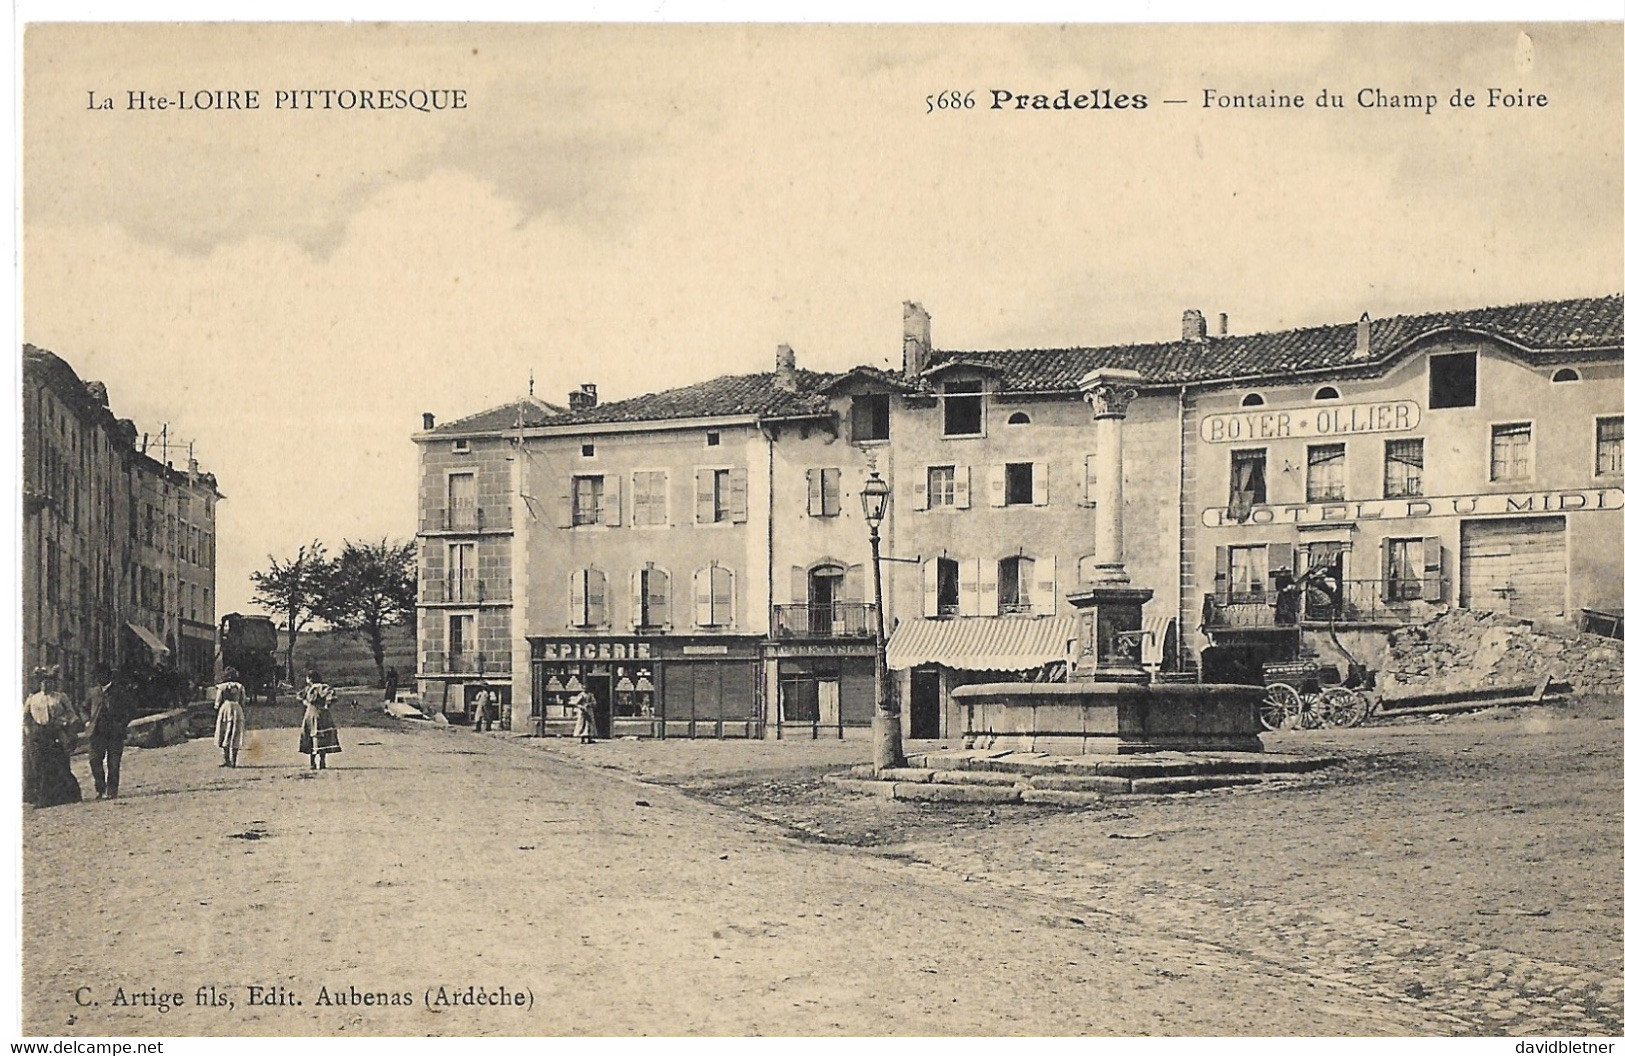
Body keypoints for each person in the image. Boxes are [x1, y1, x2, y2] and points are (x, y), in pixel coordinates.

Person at [23, 666, 82, 808]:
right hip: (38, 734)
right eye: (43, 682)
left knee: (58, 764)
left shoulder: (60, 697)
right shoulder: (33, 698)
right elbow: (25, 717)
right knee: (38, 765)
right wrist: (28, 731)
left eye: (49, 682)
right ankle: (40, 798)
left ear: (53, 683)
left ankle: (63, 796)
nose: (46, 684)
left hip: (55, 732)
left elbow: (72, 714)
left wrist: (67, 723)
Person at [84, 663, 135, 799]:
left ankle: (112, 790)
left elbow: (130, 710)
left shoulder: (119, 691)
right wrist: (87, 721)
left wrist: (122, 724)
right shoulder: (93, 692)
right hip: (97, 732)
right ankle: (100, 789)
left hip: (114, 733)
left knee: (113, 762)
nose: (98, 678)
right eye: (96, 676)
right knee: (94, 760)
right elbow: (83, 707)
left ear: (108, 675)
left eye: (101, 675)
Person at [298, 669, 342, 771]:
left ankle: (312, 763)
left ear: (309, 679)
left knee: (311, 736)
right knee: (321, 737)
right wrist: (327, 704)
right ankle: (322, 761)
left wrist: (306, 702)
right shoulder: (320, 687)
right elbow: (332, 696)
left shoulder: (312, 688)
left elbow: (299, 696)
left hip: (311, 714)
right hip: (321, 714)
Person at [214, 667, 248, 768]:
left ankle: (227, 760)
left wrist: (217, 708)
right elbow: (243, 700)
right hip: (237, 709)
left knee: (224, 733)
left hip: (226, 708)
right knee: (235, 733)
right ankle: (234, 761)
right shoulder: (240, 686)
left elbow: (218, 701)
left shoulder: (222, 687)